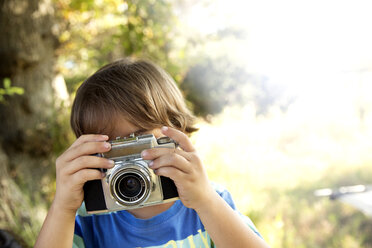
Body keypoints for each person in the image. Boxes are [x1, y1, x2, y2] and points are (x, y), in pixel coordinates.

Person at [35, 58, 269, 248]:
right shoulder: (87, 218)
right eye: (110, 148)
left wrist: (206, 201)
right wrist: (63, 207)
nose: (127, 163)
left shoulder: (207, 201)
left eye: (138, 143)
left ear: (176, 135)